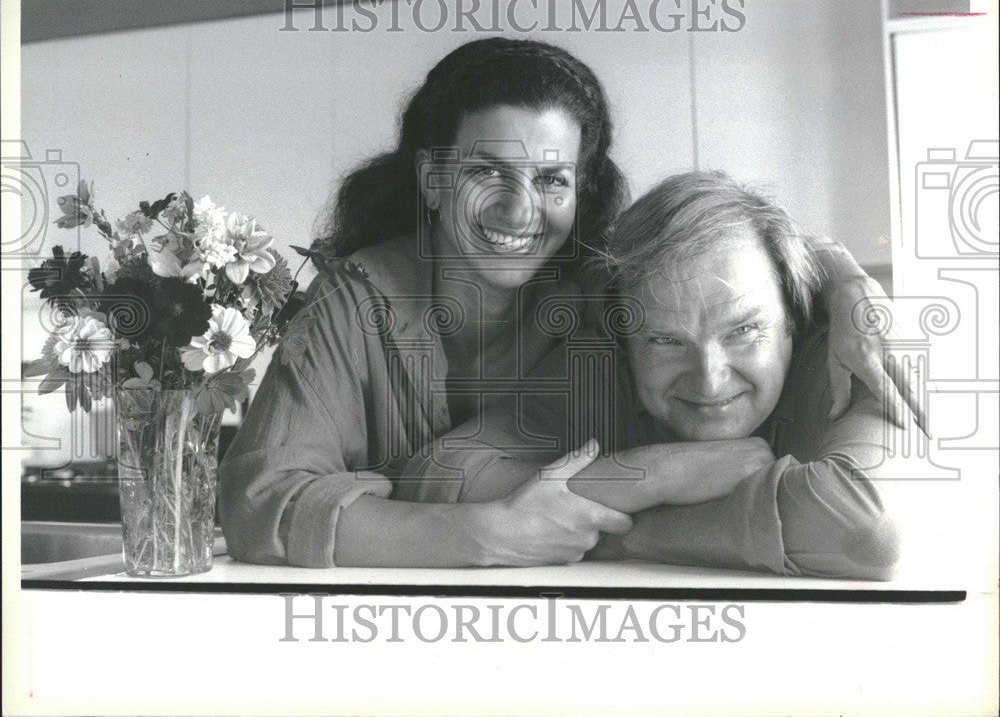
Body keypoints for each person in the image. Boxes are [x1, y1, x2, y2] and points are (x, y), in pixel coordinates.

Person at [220, 37, 919, 569]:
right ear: (431, 181)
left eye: (552, 179)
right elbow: (258, 504)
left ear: (580, 191)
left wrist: (846, 281)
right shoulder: (354, 303)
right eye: (487, 172)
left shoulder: (595, 288)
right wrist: (487, 533)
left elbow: (733, 255)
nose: (521, 209)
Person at [400, 172, 906, 580]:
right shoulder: (602, 364)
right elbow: (439, 473)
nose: (709, 381)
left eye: (744, 331)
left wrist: (610, 529)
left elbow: (864, 532)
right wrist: (660, 473)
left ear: (795, 317)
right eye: (665, 341)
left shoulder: (846, 355)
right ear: (624, 342)